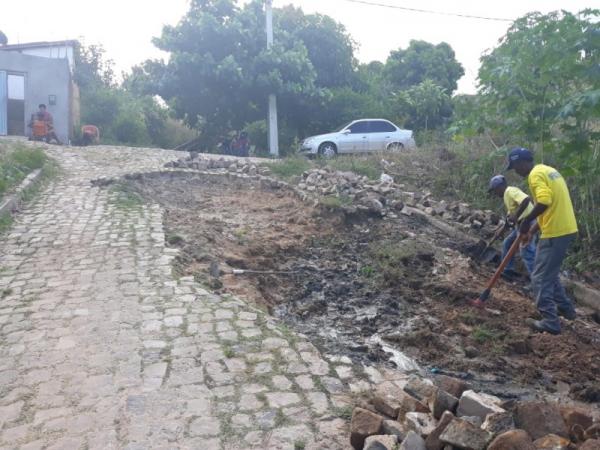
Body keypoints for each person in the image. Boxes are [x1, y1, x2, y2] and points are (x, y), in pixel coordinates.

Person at [506, 147, 578, 335]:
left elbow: (544, 201)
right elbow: (549, 206)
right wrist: (532, 230)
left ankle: (550, 321)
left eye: (515, 167)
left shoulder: (535, 175)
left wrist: (526, 221)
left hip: (555, 232)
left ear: (522, 163)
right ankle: (567, 310)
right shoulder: (548, 170)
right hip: (563, 228)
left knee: (539, 277)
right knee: (549, 273)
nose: (516, 171)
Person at [488, 175, 536, 277]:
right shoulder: (507, 197)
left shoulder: (509, 191)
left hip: (527, 223)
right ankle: (508, 270)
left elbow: (526, 200)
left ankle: (537, 281)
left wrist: (516, 215)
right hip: (520, 225)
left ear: (499, 187)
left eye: (495, 191)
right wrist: (499, 232)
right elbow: (509, 220)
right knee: (507, 243)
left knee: (527, 251)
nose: (495, 194)